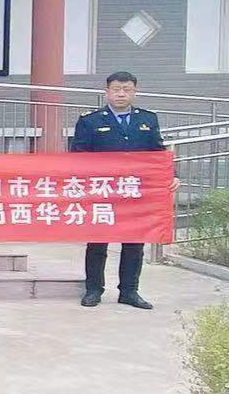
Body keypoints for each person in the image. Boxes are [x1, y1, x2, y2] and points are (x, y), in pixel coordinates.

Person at [73, 71, 178, 310]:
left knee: (134, 244)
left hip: (135, 191)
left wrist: (171, 175)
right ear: (107, 92)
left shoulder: (148, 119)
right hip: (102, 191)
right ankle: (93, 290)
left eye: (127, 89)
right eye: (116, 89)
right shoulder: (90, 121)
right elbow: (78, 156)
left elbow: (158, 152)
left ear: (134, 92)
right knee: (97, 242)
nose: (121, 94)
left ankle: (129, 291)